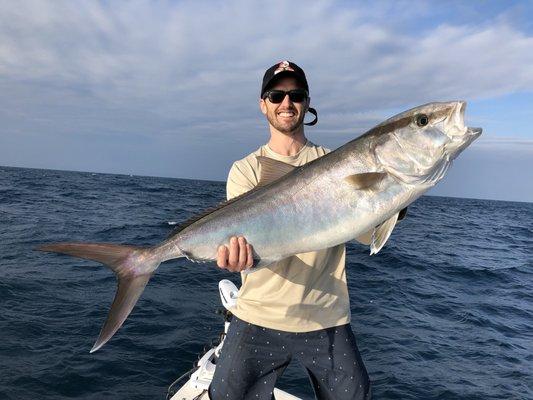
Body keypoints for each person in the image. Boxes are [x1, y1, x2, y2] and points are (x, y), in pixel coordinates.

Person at [209, 61, 371, 400]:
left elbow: (367, 234)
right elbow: (244, 246)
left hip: (325, 314)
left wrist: (394, 200)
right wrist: (238, 258)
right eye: (276, 94)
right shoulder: (246, 170)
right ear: (263, 104)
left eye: (295, 95)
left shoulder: (337, 164)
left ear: (307, 102)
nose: (287, 103)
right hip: (259, 312)